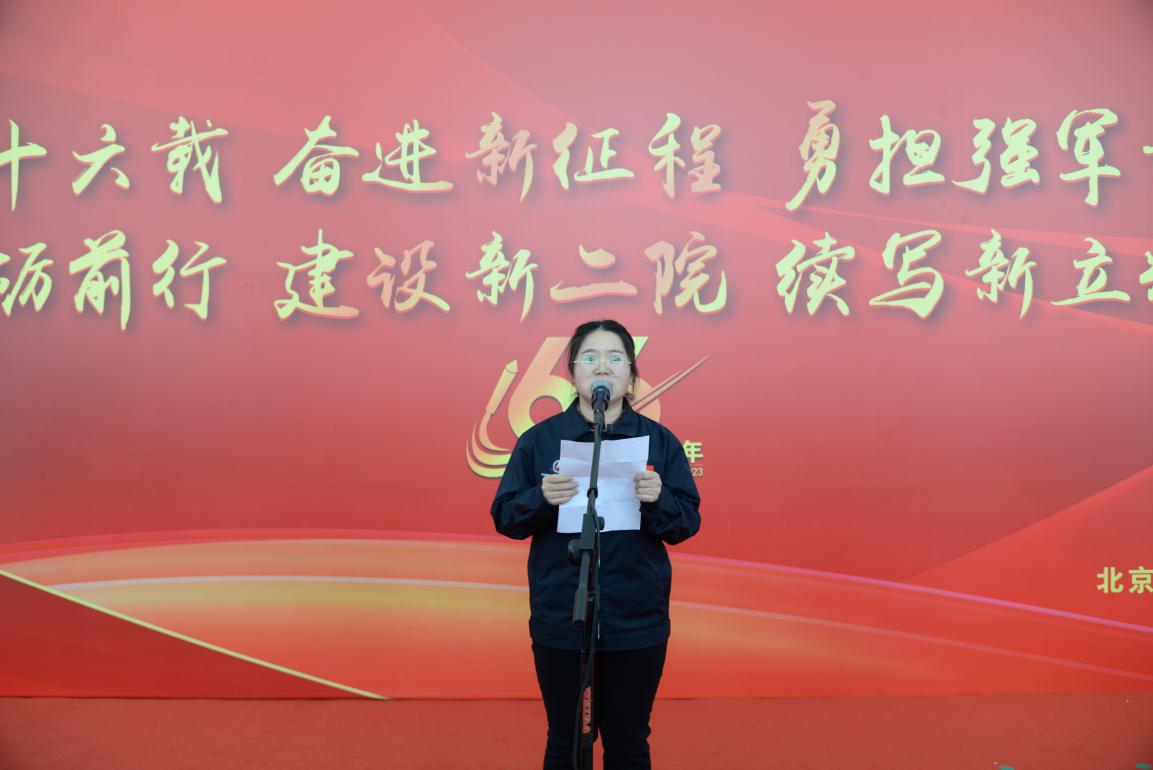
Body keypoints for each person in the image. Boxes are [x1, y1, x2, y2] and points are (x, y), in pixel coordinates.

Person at [490, 319, 702, 770]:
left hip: (636, 619)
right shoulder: (539, 441)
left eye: (614, 358)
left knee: (628, 741)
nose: (602, 367)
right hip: (562, 617)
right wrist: (540, 498)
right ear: (571, 371)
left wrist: (660, 499)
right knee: (566, 741)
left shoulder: (659, 442)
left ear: (631, 372)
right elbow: (505, 518)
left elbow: (686, 524)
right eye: (590, 357)